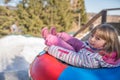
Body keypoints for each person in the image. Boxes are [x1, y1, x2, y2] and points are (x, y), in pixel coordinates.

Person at [42, 24, 120, 68]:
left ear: (109, 43)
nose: (92, 39)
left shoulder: (97, 60)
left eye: (97, 38)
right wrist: (62, 35)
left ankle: (50, 39)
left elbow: (73, 58)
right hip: (83, 51)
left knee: (69, 49)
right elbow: (78, 43)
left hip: (78, 57)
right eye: (92, 36)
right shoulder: (97, 48)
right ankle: (57, 36)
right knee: (76, 42)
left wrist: (51, 49)